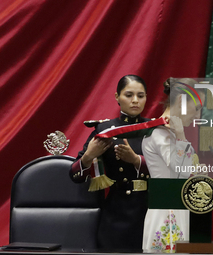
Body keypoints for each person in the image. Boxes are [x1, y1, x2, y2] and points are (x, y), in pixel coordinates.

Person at [70, 75, 150, 251]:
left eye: (140, 95)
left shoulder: (155, 129)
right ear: (117, 97)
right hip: (118, 213)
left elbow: (172, 169)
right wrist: (88, 156)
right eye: (129, 95)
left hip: (152, 211)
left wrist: (137, 161)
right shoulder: (104, 129)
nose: (135, 100)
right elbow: (75, 174)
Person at [142, 78, 205, 253]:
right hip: (165, 212)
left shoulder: (171, 133)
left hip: (180, 208)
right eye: (197, 109)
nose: (198, 116)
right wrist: (181, 136)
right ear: (181, 101)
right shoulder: (158, 133)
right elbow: (181, 170)